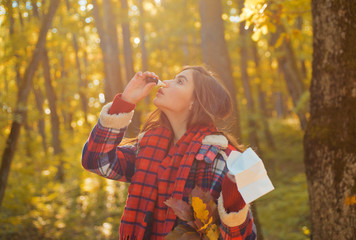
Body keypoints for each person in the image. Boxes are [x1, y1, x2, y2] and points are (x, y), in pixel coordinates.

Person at [82, 66, 256, 239]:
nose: (165, 83)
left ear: (194, 102)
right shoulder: (148, 147)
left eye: (180, 81)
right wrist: (126, 100)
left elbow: (245, 237)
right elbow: (96, 160)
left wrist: (234, 202)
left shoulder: (232, 159)